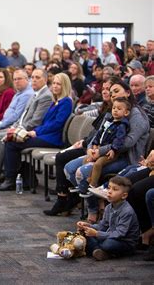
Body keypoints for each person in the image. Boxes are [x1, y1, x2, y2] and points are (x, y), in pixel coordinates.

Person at [64, 78, 150, 223]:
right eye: (111, 94)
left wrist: (101, 151)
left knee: (82, 172)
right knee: (69, 168)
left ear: (128, 92)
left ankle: (93, 210)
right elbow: (98, 133)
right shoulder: (113, 111)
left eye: (116, 91)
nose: (113, 95)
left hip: (125, 157)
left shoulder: (136, 115)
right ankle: (98, 203)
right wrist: (91, 149)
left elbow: (127, 142)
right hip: (104, 153)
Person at [43, 79, 114, 216]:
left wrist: (89, 145)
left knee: (63, 158)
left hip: (100, 151)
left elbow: (110, 138)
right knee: (62, 157)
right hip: (91, 146)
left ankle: (67, 198)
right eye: (104, 88)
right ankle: (66, 197)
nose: (105, 91)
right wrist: (85, 142)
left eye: (110, 89)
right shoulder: (105, 108)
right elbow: (96, 133)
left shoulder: (116, 111)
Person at [0, 73, 73, 191]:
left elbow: (57, 124)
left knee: (12, 144)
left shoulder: (66, 102)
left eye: (59, 84)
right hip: (45, 135)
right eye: (54, 83)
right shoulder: (56, 101)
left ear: (65, 86)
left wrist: (36, 132)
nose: (55, 86)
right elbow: (46, 122)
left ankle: (10, 179)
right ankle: (16, 176)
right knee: (11, 140)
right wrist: (35, 131)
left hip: (52, 139)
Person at [0, 68, 52, 187]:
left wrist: (16, 128)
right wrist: (15, 126)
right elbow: (21, 116)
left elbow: (35, 121)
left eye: (37, 78)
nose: (34, 80)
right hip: (20, 126)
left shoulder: (44, 96)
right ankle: (0, 171)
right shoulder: (34, 93)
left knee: (1, 137)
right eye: (32, 77)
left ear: (45, 79)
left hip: (30, 130)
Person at [77, 176, 139, 261]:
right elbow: (103, 225)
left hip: (124, 242)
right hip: (109, 236)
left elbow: (120, 233)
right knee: (84, 234)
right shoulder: (108, 207)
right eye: (109, 188)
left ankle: (97, 250)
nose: (109, 191)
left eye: (115, 189)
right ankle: (100, 252)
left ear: (124, 195)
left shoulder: (127, 211)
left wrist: (97, 234)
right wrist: (88, 226)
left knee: (107, 244)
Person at [77, 97, 131, 194]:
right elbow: (99, 133)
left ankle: (93, 185)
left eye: (119, 109)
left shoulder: (122, 125)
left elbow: (119, 139)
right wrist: (95, 144)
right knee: (86, 160)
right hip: (100, 148)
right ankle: (88, 179)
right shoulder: (109, 121)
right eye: (114, 108)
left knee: (98, 164)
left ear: (126, 113)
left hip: (111, 152)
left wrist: (113, 149)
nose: (115, 110)